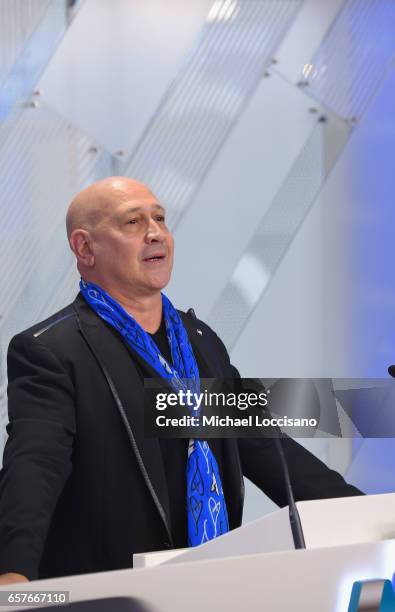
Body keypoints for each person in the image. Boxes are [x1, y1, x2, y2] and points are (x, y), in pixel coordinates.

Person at [0, 177, 361, 584]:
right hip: (111, 591)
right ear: (85, 247)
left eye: (160, 218)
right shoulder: (54, 350)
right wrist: (13, 572)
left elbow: (268, 448)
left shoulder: (200, 343)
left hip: (210, 587)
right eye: (132, 223)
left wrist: (368, 521)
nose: (155, 233)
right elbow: (35, 465)